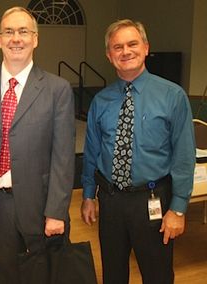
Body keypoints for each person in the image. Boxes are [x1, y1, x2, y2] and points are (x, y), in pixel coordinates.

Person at [0, 6, 75, 284]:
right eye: (8, 32)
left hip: (40, 203)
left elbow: (63, 157)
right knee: (5, 275)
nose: (16, 38)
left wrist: (56, 212)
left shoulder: (58, 89)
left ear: (36, 39)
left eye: (23, 31)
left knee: (44, 275)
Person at [81, 19, 195, 284]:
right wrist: (88, 195)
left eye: (132, 44)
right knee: (113, 274)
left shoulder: (173, 96)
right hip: (110, 201)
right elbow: (91, 152)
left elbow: (184, 156)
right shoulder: (101, 101)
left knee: (157, 275)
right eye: (117, 47)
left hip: (153, 201)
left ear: (145, 48)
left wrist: (178, 209)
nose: (125, 51)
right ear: (110, 56)